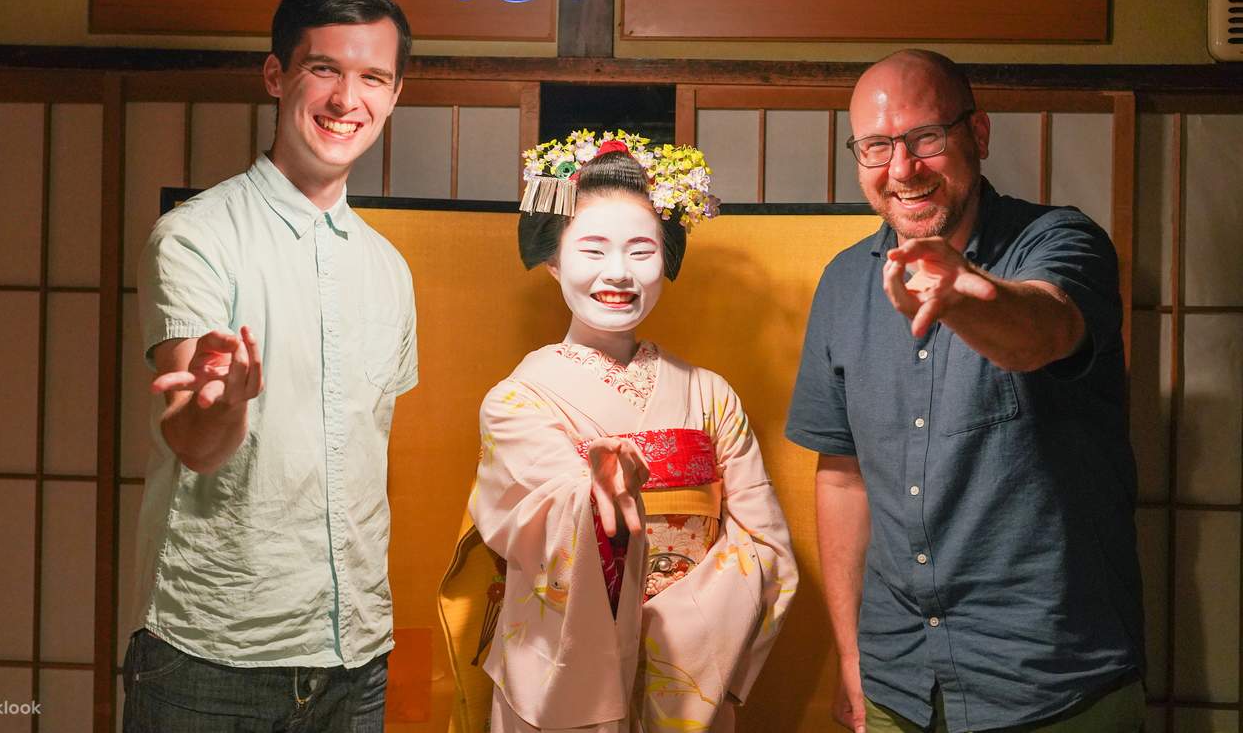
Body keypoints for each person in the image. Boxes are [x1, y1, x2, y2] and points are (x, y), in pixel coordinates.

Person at [786, 49, 1145, 733]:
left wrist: (966, 295)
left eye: (925, 138)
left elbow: (1042, 328)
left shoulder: (1058, 241)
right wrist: (853, 656)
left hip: (1051, 675)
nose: (902, 169)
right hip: (899, 676)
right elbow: (841, 478)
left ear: (975, 135)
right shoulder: (840, 284)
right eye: (875, 147)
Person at [124, 0, 416, 732]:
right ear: (276, 75)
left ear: (393, 93)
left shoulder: (389, 268)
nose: (346, 98)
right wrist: (224, 406)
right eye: (324, 68)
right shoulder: (196, 236)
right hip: (212, 651)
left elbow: (366, 459)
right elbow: (193, 440)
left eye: (372, 77)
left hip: (356, 655)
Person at [439, 131, 797, 733]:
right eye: (593, 249)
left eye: (640, 250)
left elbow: (767, 549)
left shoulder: (713, 395)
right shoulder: (517, 399)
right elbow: (534, 525)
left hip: (692, 673)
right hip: (562, 671)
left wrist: (677, 626)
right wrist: (592, 502)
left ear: (668, 259)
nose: (618, 273)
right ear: (553, 260)